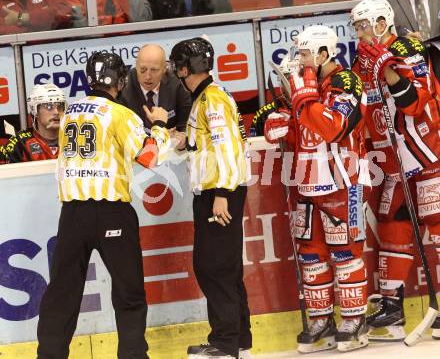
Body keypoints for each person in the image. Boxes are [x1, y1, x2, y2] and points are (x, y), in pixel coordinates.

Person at [36, 51, 170, 359]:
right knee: (129, 293)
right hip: (112, 212)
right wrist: (160, 125)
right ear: (119, 81)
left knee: (62, 295)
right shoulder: (120, 114)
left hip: (72, 214)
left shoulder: (70, 113)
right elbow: (149, 157)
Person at [264, 25, 370, 353]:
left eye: (306, 54)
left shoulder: (346, 81)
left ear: (324, 54)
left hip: (344, 183)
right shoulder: (305, 88)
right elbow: (301, 131)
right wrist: (281, 121)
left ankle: (355, 318)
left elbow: (334, 128)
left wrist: (303, 98)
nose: (300, 60)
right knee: (311, 255)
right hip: (307, 183)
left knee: (345, 252)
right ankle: (321, 318)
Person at [350, 0, 440, 341]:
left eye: (364, 25)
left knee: (437, 224)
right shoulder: (361, 62)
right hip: (394, 162)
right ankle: (392, 307)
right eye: (355, 26)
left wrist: (387, 69)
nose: (359, 32)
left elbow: (416, 102)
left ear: (382, 22)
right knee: (392, 225)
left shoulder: (406, 48)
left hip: (428, 155)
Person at [169, 37, 252, 359]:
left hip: (219, 193)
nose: (176, 71)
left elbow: (228, 149)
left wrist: (221, 195)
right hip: (218, 191)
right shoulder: (205, 99)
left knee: (212, 267)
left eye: (178, 65)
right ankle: (238, 340)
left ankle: (224, 343)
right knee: (224, 268)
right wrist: (165, 130)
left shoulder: (212, 100)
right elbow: (196, 145)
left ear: (187, 67)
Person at [120, 44, 191, 150]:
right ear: (136, 65)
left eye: (154, 70)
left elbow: (186, 125)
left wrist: (181, 140)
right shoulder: (122, 87)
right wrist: (161, 136)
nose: (148, 76)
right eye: (142, 69)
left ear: (164, 69)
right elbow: (120, 134)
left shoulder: (177, 83)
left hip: (171, 154)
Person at [6, 83, 66, 162]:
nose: (56, 112)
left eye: (60, 106)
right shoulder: (20, 143)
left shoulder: (76, 137)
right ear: (35, 111)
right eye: (49, 106)